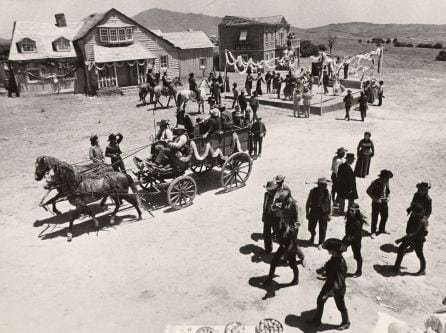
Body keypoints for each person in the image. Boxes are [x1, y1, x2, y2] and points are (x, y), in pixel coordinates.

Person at [307, 238, 350, 330]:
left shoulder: (340, 263)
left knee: (340, 306)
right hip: (329, 283)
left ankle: (346, 322)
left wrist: (329, 292)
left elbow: (340, 281)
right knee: (320, 300)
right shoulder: (334, 258)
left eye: (330, 250)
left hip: (337, 288)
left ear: (335, 251)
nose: (328, 251)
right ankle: (317, 320)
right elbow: (329, 264)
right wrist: (323, 269)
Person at [264, 189, 304, 286]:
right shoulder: (282, 203)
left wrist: (289, 229)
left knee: (292, 263)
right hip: (284, 237)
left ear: (288, 197)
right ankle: (269, 279)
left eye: (283, 199)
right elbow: (273, 208)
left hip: (291, 237)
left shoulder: (295, 204)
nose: (281, 201)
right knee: (274, 262)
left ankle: (296, 279)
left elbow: (298, 221)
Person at [393, 182, 432, 275]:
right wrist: (410, 208)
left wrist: (423, 220)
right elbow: (413, 204)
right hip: (413, 221)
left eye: (423, 190)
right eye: (419, 189)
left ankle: (422, 270)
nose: (420, 191)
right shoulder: (416, 195)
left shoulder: (428, 199)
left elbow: (428, 212)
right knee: (405, 248)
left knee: (417, 252)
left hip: (419, 226)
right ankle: (396, 266)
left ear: (426, 190)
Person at [306, 178, 332, 249]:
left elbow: (330, 203)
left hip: (324, 213)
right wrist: (307, 213)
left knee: (323, 228)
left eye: (324, 185)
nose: (324, 187)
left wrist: (330, 214)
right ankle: (312, 236)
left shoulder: (327, 192)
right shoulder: (313, 191)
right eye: (322, 185)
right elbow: (308, 202)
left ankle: (321, 242)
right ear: (318, 185)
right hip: (314, 211)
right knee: (311, 226)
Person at [367, 169, 393, 238]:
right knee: (375, 217)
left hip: (384, 202)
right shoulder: (375, 182)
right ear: (382, 177)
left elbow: (388, 192)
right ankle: (373, 232)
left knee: (385, 216)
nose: (387, 180)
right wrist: (375, 199)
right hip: (376, 203)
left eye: (388, 178)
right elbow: (368, 191)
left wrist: (388, 197)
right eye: (386, 178)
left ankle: (382, 229)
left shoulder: (387, 182)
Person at [342, 204, 366, 277]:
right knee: (338, 249)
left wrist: (350, 238)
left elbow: (357, 234)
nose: (352, 212)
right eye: (351, 211)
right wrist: (347, 237)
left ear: (357, 212)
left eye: (354, 211)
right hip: (348, 237)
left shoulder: (358, 222)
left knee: (357, 256)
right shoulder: (349, 218)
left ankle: (359, 271)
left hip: (356, 241)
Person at [262, 181, 280, 253]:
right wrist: (263, 215)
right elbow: (264, 205)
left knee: (279, 235)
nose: (268, 191)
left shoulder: (278, 196)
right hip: (267, 216)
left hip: (275, 218)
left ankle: (284, 252)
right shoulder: (266, 194)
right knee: (266, 233)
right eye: (268, 189)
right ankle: (268, 249)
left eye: (270, 190)